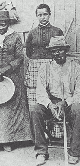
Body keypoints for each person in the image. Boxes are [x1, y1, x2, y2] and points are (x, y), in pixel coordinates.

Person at [30, 36, 80, 165]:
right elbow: (40, 92)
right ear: (51, 52)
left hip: (69, 103)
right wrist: (50, 104)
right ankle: (41, 151)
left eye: (60, 50)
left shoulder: (76, 67)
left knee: (79, 110)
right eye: (54, 51)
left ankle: (75, 152)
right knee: (35, 110)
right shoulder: (45, 68)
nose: (57, 53)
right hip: (51, 103)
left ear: (65, 50)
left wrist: (65, 102)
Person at [0, 11, 32, 151]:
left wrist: (5, 69)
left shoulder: (15, 37)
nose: (1, 24)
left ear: (9, 22)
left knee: (9, 108)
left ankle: (8, 140)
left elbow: (20, 57)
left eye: (4, 21)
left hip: (12, 77)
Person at [25, 4, 63, 100]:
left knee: (53, 90)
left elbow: (62, 51)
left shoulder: (57, 31)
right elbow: (28, 52)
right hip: (35, 65)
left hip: (52, 64)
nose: (43, 17)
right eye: (40, 15)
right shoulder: (32, 33)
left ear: (49, 15)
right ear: (37, 16)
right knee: (35, 91)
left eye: (45, 14)